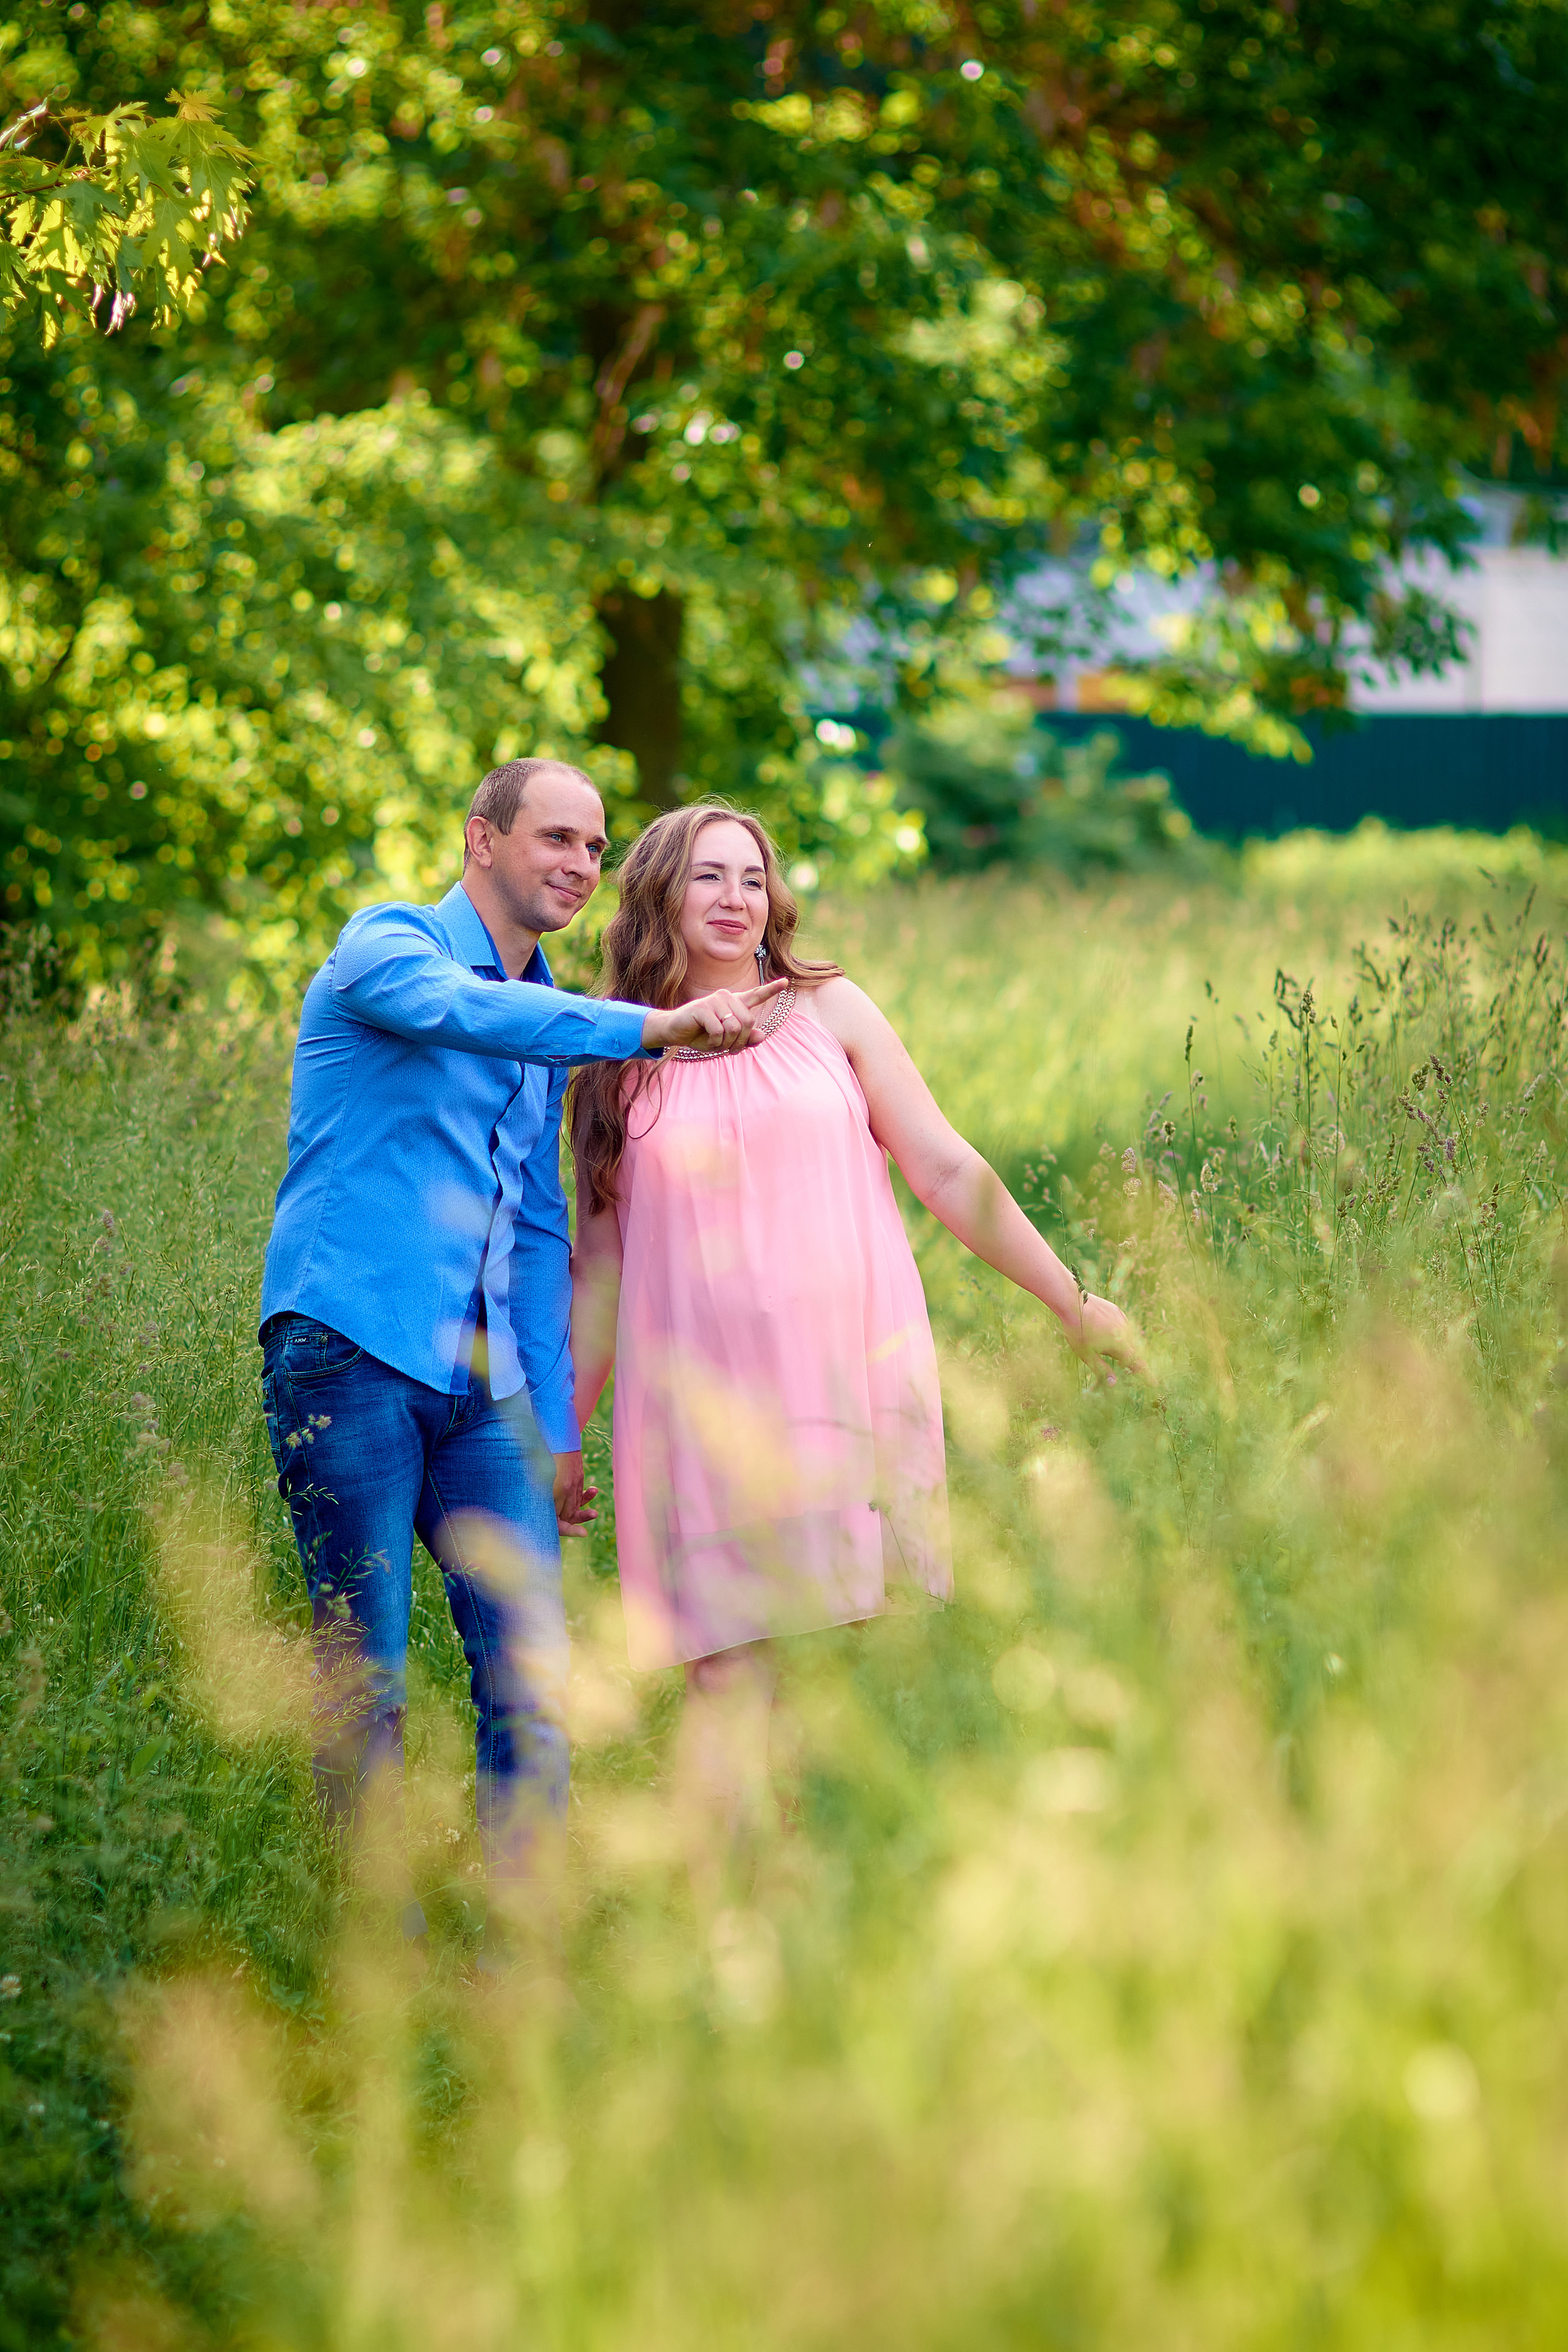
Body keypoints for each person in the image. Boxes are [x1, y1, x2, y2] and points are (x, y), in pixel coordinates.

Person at [568, 801, 1140, 1899]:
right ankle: (743, 1926)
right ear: (657, 899)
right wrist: (563, 1435)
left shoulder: (826, 1010)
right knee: (730, 1671)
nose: (736, 898)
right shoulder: (613, 1055)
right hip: (698, 1401)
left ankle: (868, 1900)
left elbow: (949, 1172)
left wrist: (1077, 1304)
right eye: (707, 878)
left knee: (851, 1657)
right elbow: (598, 1269)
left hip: (845, 1378)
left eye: (753, 877)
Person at [257, 758, 783, 1945]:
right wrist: (651, 1027)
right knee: (367, 1674)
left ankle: (522, 1948)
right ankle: (374, 1961)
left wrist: (554, 1424)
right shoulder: (387, 947)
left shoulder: (542, 1006)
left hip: (482, 1394)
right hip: (348, 1350)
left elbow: (539, 1228)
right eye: (555, 838)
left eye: (595, 848)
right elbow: (463, 1012)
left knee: (533, 1681)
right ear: (479, 839)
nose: (579, 866)